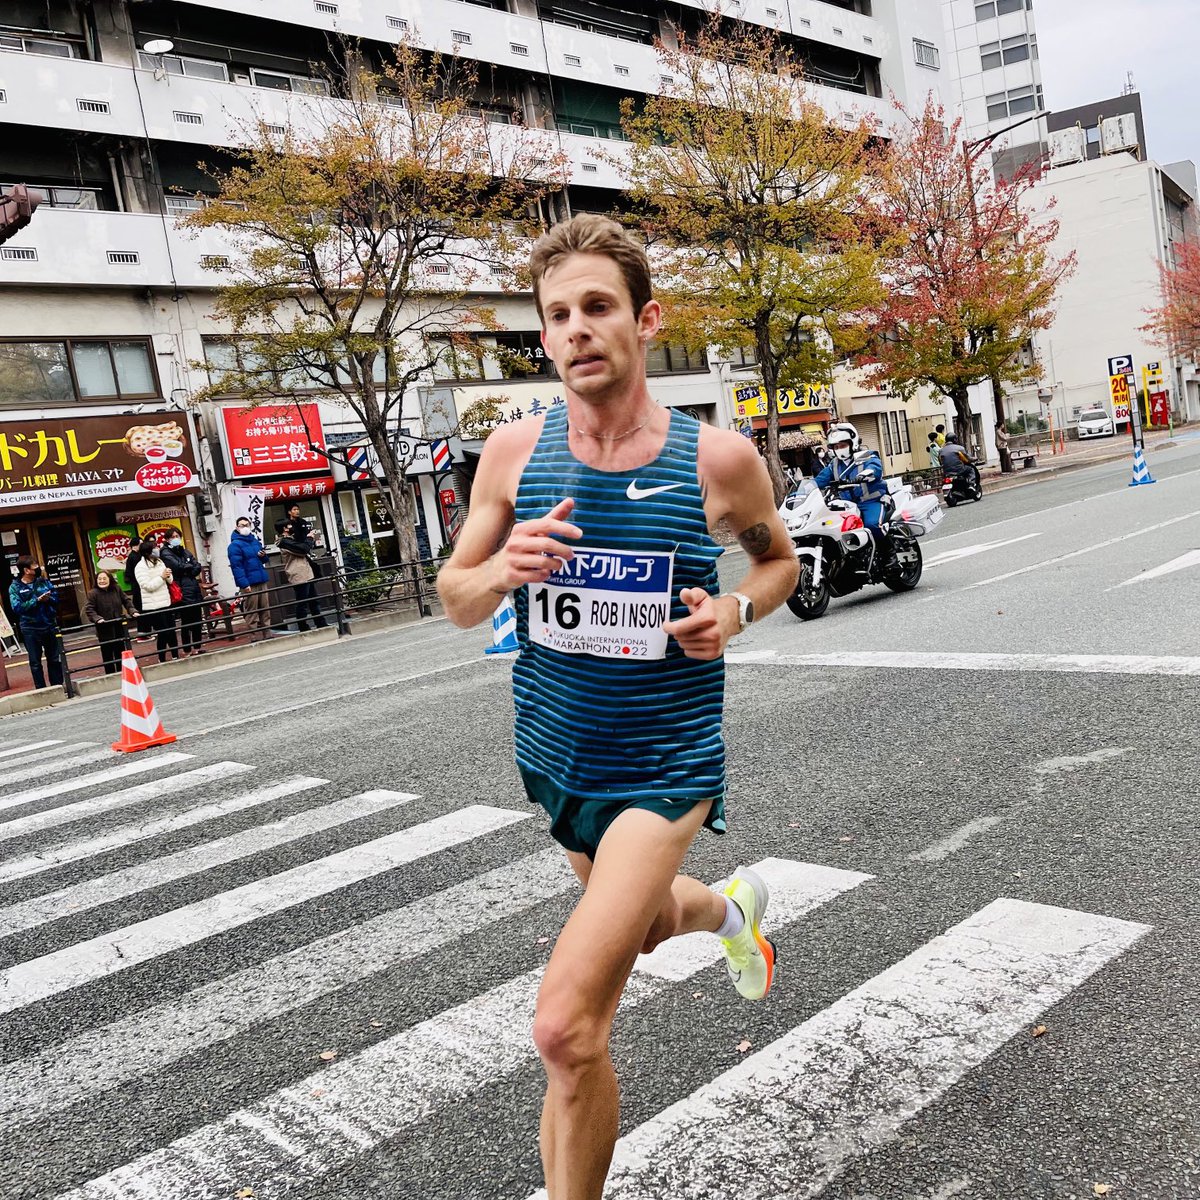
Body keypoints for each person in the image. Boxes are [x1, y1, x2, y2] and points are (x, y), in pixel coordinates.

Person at [436, 213, 798, 1200]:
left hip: (665, 766)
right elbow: (456, 596)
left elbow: (778, 564)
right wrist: (500, 569)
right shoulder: (512, 454)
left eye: (598, 306)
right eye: (558, 315)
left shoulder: (715, 463)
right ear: (543, 336)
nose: (577, 329)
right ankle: (732, 913)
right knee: (637, 931)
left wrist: (732, 608)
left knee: (565, 1029)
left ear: (645, 319)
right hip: (556, 757)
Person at [813, 424, 895, 568]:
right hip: (847, 507)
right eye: (836, 447)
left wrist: (865, 474)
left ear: (852, 443)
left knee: (873, 525)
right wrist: (801, 490)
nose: (839, 449)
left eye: (843, 445)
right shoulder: (834, 465)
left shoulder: (867, 456)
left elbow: (875, 468)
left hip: (872, 501)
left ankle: (890, 556)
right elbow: (819, 481)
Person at [7, 555, 63, 690]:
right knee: (35, 662)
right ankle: (41, 690)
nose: (38, 569)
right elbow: (17, 608)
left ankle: (58, 687)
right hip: (30, 628)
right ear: (26, 570)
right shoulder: (15, 587)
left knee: (54, 659)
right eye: (35, 567)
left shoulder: (43, 582)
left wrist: (48, 599)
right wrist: (36, 601)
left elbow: (56, 599)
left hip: (49, 624)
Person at [275, 520, 327, 631]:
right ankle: (303, 627)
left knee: (314, 601)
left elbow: (303, 545)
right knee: (302, 603)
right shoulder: (284, 542)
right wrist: (309, 538)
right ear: (285, 529)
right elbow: (303, 549)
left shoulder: (291, 540)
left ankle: (320, 623)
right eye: (290, 525)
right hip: (298, 574)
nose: (292, 526)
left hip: (306, 573)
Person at [160, 528, 205, 657]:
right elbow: (177, 567)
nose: (175, 538)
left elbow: (197, 566)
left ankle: (197, 646)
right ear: (167, 539)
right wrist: (188, 565)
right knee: (186, 622)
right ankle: (187, 649)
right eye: (172, 536)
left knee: (197, 620)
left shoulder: (184, 550)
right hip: (181, 591)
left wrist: (188, 566)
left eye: (177, 536)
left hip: (194, 589)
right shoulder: (165, 552)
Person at [228, 516, 272, 642]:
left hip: (261, 578)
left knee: (265, 608)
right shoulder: (234, 545)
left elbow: (264, 559)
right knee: (251, 610)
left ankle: (267, 633)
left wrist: (263, 556)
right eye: (242, 525)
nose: (245, 527)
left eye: (247, 525)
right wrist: (244, 583)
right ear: (237, 527)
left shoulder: (255, 541)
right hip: (249, 582)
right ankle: (253, 636)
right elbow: (237, 567)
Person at [134, 541, 179, 664]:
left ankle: (175, 655)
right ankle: (162, 658)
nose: (157, 549)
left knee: (171, 630)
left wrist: (168, 575)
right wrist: (162, 577)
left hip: (166, 602)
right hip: (153, 606)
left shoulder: (160, 562)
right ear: (147, 551)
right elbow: (147, 586)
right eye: (154, 548)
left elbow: (170, 581)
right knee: (163, 633)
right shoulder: (140, 567)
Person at [84, 570, 136, 675]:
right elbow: (89, 609)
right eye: (99, 579)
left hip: (118, 626)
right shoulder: (93, 593)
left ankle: (123, 674)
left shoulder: (117, 589)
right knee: (107, 654)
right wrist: (97, 618)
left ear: (110, 579)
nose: (102, 581)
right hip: (104, 628)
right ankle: (111, 675)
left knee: (120, 651)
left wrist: (132, 611)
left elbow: (126, 601)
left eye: (104, 578)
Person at [124, 536, 153, 641]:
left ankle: (145, 633)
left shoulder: (134, 556)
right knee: (142, 610)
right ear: (135, 545)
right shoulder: (135, 557)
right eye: (141, 544)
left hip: (137, 588)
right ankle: (143, 634)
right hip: (139, 588)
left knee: (142, 610)